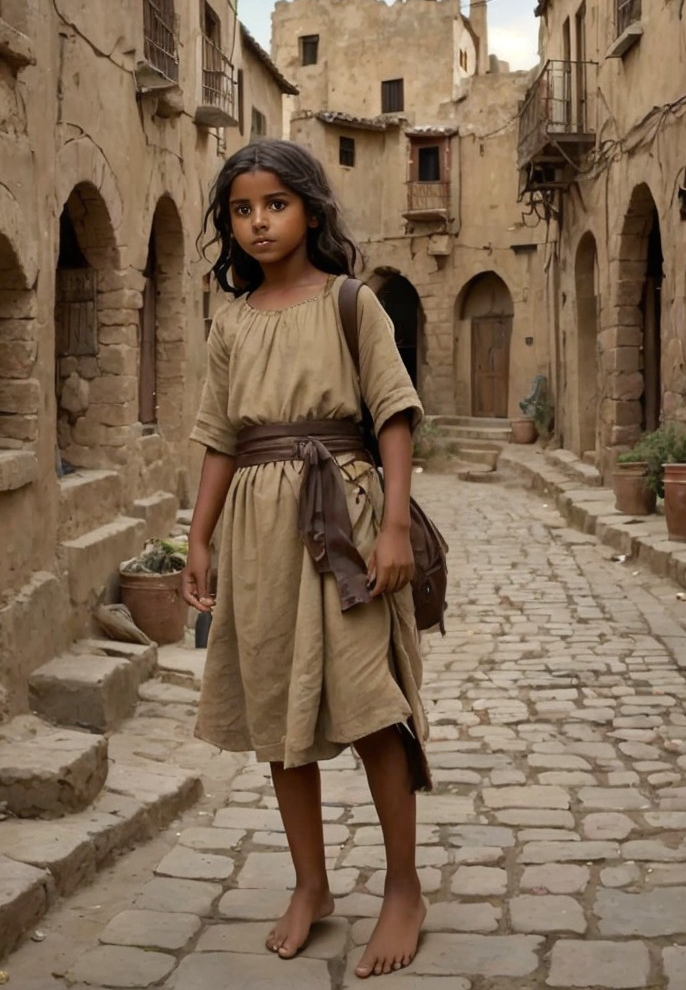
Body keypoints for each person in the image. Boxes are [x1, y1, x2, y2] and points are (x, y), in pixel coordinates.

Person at [181, 138, 430, 979]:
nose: (258, 222)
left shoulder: (354, 304)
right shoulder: (231, 322)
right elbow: (220, 440)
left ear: (311, 211)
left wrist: (393, 528)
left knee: (370, 707)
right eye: (242, 209)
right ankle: (311, 884)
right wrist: (199, 537)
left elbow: (393, 416)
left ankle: (403, 887)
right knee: (280, 718)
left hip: (347, 528)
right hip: (257, 536)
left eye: (275, 204)